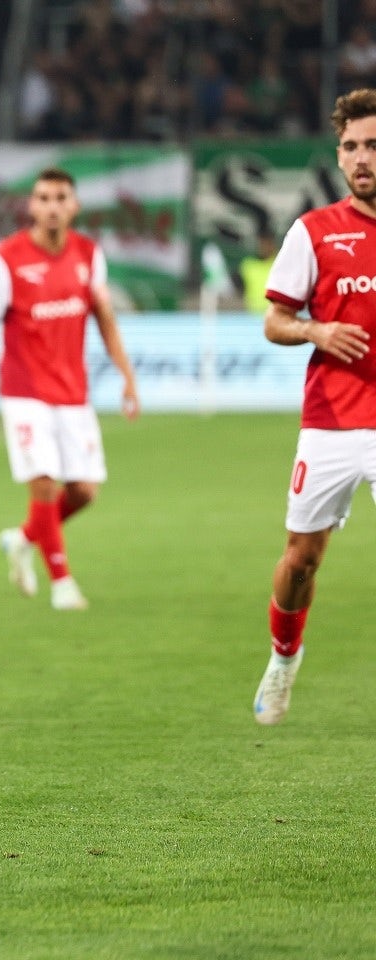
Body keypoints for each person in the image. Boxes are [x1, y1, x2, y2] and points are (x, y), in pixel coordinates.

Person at [0, 168, 139, 611]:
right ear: (32, 206)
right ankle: (62, 582)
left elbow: (104, 317)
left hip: (73, 392)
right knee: (42, 483)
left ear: (74, 206)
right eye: (43, 198)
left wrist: (127, 376)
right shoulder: (7, 258)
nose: (52, 205)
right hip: (24, 391)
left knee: (84, 491)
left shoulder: (88, 254)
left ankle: (22, 539)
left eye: (60, 197)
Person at [253, 88, 376, 725]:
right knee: (301, 559)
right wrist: (317, 331)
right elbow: (275, 321)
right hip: (330, 419)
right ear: (338, 155)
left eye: (373, 145)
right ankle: (283, 659)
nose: (363, 158)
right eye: (352, 146)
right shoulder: (315, 231)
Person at [238, 230, 276, 315]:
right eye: (262, 244)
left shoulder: (280, 264)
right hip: (251, 316)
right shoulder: (247, 265)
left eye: (268, 244)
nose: (265, 247)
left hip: (274, 316)